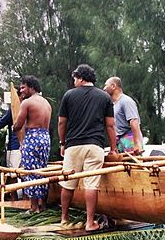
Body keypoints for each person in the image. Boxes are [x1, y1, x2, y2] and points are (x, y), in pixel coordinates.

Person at [58, 64, 117, 231]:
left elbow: (62, 122)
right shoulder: (104, 97)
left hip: (73, 146)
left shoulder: (69, 95)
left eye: (75, 78)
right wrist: (113, 148)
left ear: (81, 78)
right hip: (95, 145)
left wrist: (62, 143)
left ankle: (64, 219)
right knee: (91, 185)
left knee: (67, 183)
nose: (74, 81)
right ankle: (90, 223)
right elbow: (110, 126)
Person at [13, 75, 52, 213]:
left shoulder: (27, 103)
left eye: (23, 87)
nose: (21, 90)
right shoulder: (46, 103)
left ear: (32, 87)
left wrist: (14, 127)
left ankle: (34, 207)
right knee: (43, 170)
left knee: (30, 171)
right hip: (45, 137)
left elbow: (18, 124)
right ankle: (44, 206)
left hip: (33, 137)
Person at [103, 76, 143, 154]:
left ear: (113, 86)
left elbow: (134, 122)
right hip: (119, 141)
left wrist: (137, 143)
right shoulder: (113, 104)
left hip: (129, 139)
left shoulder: (126, 101)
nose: (104, 89)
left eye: (106, 85)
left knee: (132, 164)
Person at [0, 102, 21, 169]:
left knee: (13, 168)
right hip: (14, 144)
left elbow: (4, 121)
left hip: (16, 145)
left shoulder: (16, 107)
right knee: (12, 167)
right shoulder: (22, 106)